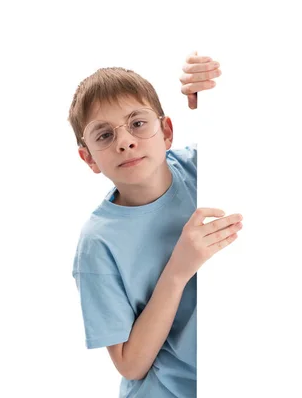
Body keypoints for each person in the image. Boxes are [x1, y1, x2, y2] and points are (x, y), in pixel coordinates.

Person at [69, 52, 242, 398]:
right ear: (89, 158)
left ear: (166, 131)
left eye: (137, 123)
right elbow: (131, 365)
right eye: (104, 136)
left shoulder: (203, 168)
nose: (125, 141)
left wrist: (215, 92)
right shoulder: (97, 244)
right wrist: (179, 268)